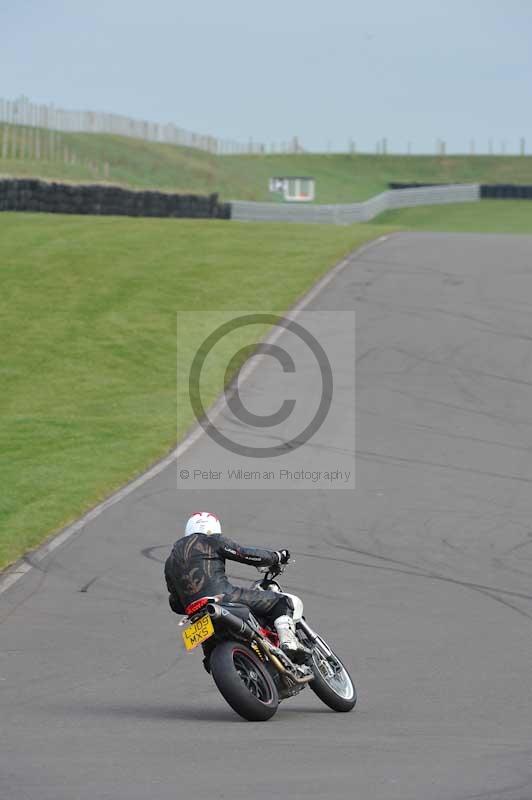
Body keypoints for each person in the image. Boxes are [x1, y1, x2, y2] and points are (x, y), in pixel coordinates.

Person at [164, 511, 303, 658]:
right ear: (213, 528)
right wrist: (276, 557)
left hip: (195, 614)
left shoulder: (169, 563)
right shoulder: (211, 540)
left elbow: (175, 603)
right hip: (222, 598)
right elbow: (244, 554)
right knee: (282, 601)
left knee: (209, 656)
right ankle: (288, 642)